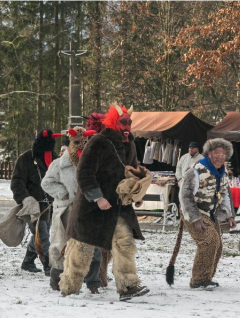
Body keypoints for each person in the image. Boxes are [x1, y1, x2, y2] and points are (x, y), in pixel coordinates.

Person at [59, 105, 149, 301]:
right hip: (92, 207)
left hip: (119, 206)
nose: (127, 126)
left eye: (129, 122)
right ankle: (69, 287)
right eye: (123, 122)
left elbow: (131, 171)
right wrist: (97, 197)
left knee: (124, 243)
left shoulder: (130, 144)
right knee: (81, 249)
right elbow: (84, 173)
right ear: (113, 122)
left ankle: (127, 286)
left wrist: (136, 193)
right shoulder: (98, 142)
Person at [41, 127, 102, 293]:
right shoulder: (58, 165)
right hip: (66, 210)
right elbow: (47, 183)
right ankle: (57, 278)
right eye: (77, 143)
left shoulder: (94, 163)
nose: (81, 146)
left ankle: (93, 281)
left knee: (92, 245)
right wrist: (64, 194)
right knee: (61, 245)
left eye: (85, 142)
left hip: (88, 210)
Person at [179, 138, 236, 288]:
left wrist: (229, 215)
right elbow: (185, 196)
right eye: (216, 153)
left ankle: (207, 277)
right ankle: (199, 280)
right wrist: (195, 217)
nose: (220, 156)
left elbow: (224, 195)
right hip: (194, 212)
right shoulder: (195, 171)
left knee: (217, 245)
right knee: (209, 241)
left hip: (211, 214)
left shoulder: (223, 173)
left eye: (223, 154)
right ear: (209, 153)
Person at [11, 129, 58, 276]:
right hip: (32, 205)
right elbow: (17, 181)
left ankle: (28, 262)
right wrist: (25, 199)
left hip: (49, 205)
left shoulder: (54, 158)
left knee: (39, 235)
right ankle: (49, 265)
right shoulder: (26, 158)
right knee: (43, 236)